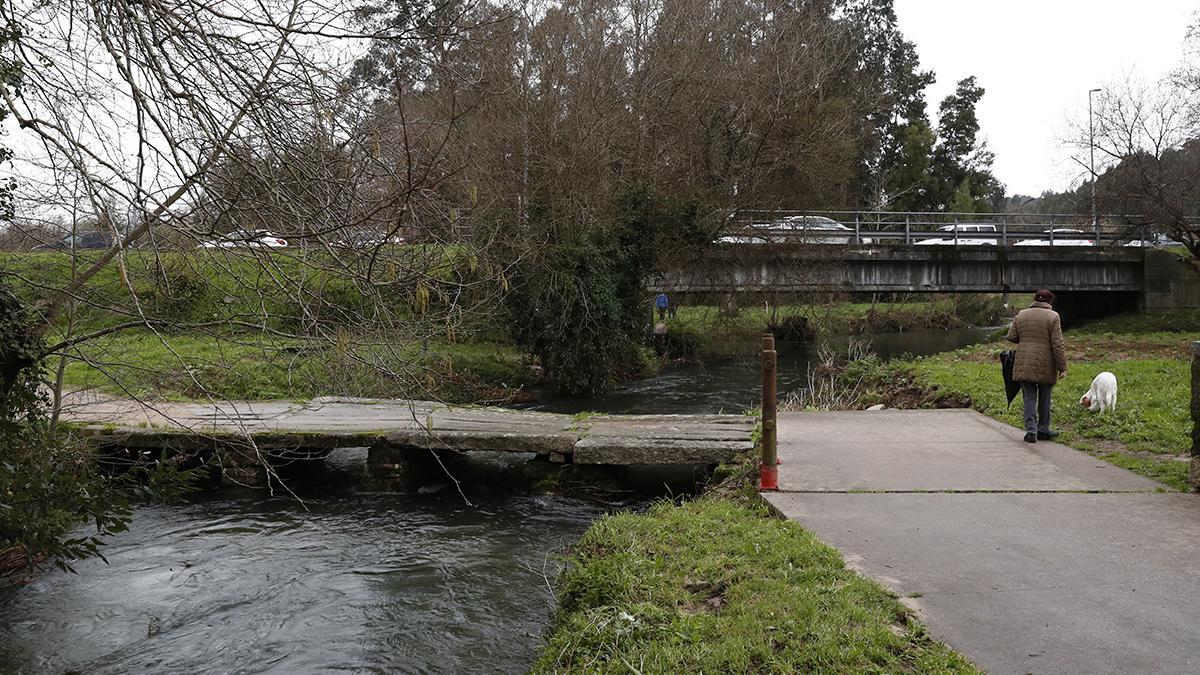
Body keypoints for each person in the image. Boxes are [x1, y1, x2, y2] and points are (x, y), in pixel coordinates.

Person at [1006, 289, 1067, 443]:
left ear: (1035, 299)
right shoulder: (1054, 316)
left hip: (1024, 362)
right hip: (1046, 363)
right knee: (1045, 398)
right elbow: (1057, 344)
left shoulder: (1022, 314)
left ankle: (1031, 432)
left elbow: (1011, 337)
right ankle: (1044, 430)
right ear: (1050, 302)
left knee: (1029, 398)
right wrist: (1062, 367)